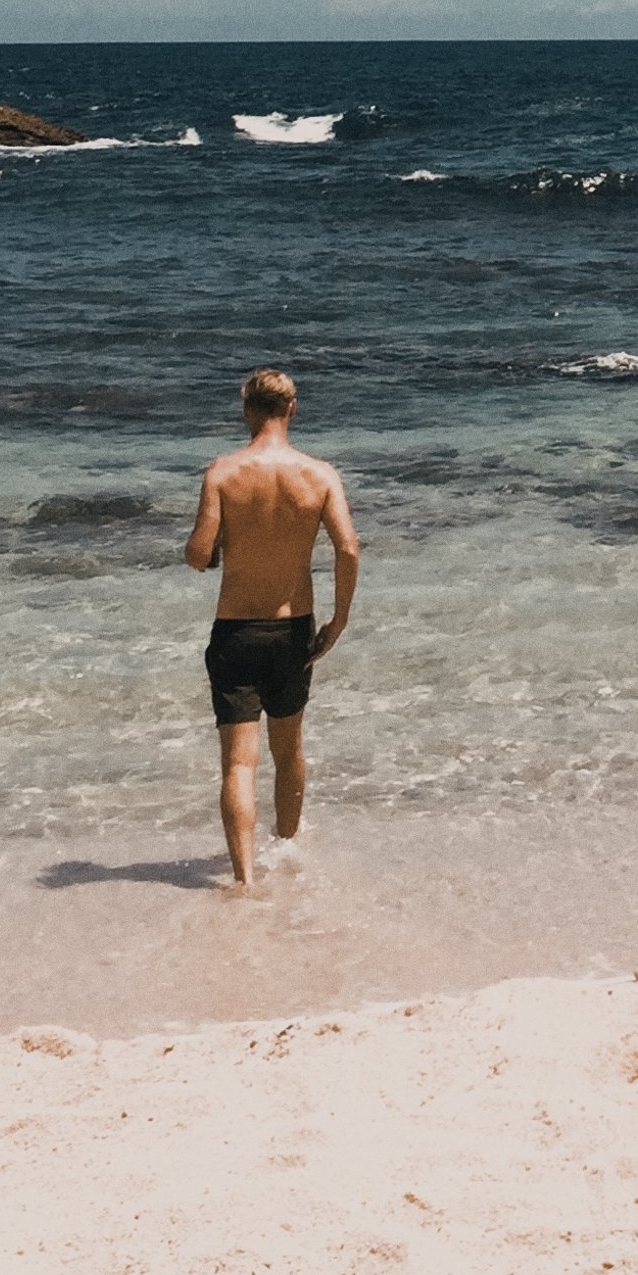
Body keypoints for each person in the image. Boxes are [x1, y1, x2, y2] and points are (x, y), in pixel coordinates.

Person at [184, 366, 360, 888]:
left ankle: (244, 880)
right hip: (293, 630)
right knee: (289, 752)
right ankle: (287, 854)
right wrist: (339, 619)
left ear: (246, 411)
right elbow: (348, 548)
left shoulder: (222, 473)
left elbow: (198, 555)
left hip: (236, 631)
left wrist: (210, 552)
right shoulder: (320, 474)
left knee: (240, 766)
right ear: (292, 409)